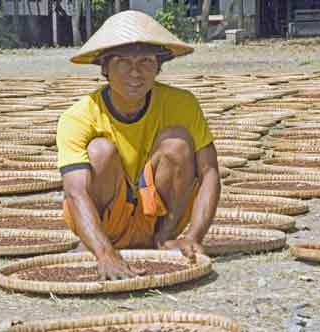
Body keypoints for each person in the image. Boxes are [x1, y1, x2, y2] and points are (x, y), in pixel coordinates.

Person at [56, 10, 220, 280]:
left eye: (146, 61)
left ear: (158, 66)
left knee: (177, 143)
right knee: (100, 151)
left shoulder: (183, 104)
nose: (135, 72)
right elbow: (75, 192)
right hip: (109, 218)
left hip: (156, 214)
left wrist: (194, 235)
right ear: (105, 67)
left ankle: (163, 238)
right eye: (122, 61)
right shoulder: (78, 116)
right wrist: (104, 253)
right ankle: (98, 244)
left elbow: (210, 171)